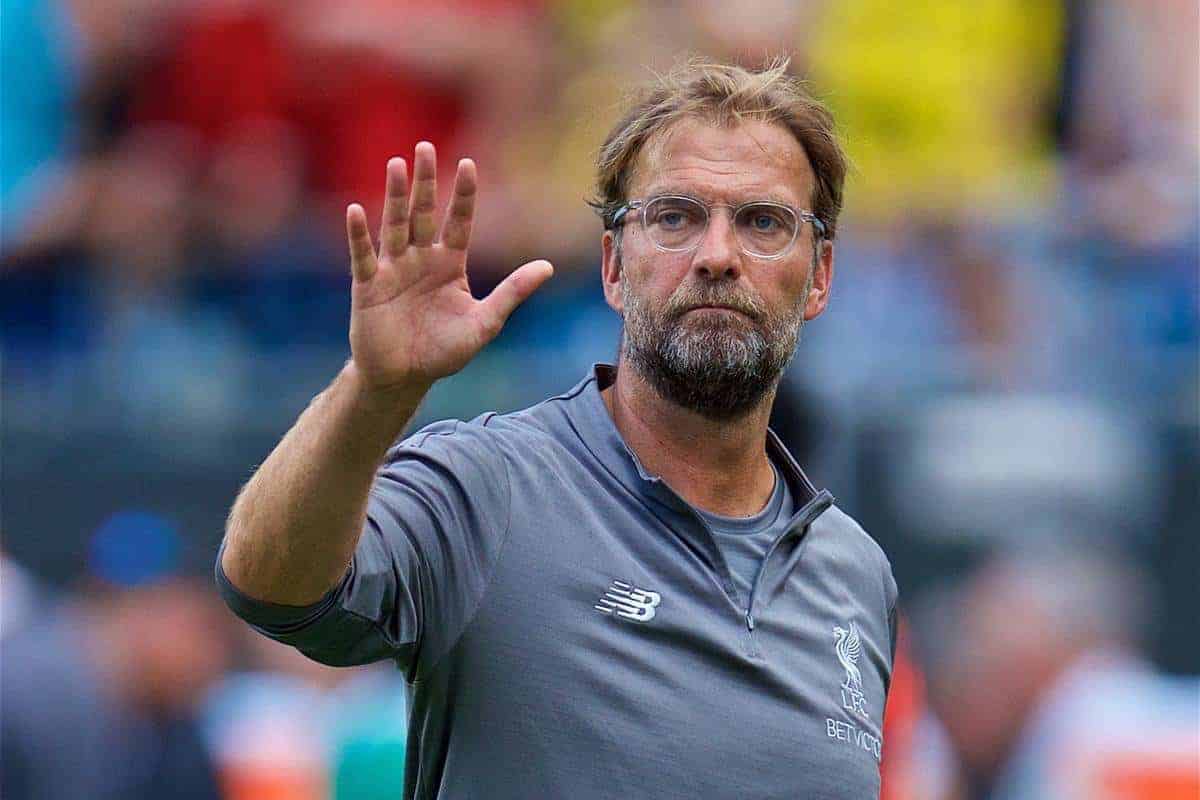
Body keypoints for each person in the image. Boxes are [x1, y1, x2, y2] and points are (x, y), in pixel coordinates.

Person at [217, 59, 899, 799]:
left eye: (764, 223)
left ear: (821, 275)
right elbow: (266, 583)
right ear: (612, 265)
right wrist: (375, 392)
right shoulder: (490, 487)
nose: (716, 256)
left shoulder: (855, 575)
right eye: (674, 217)